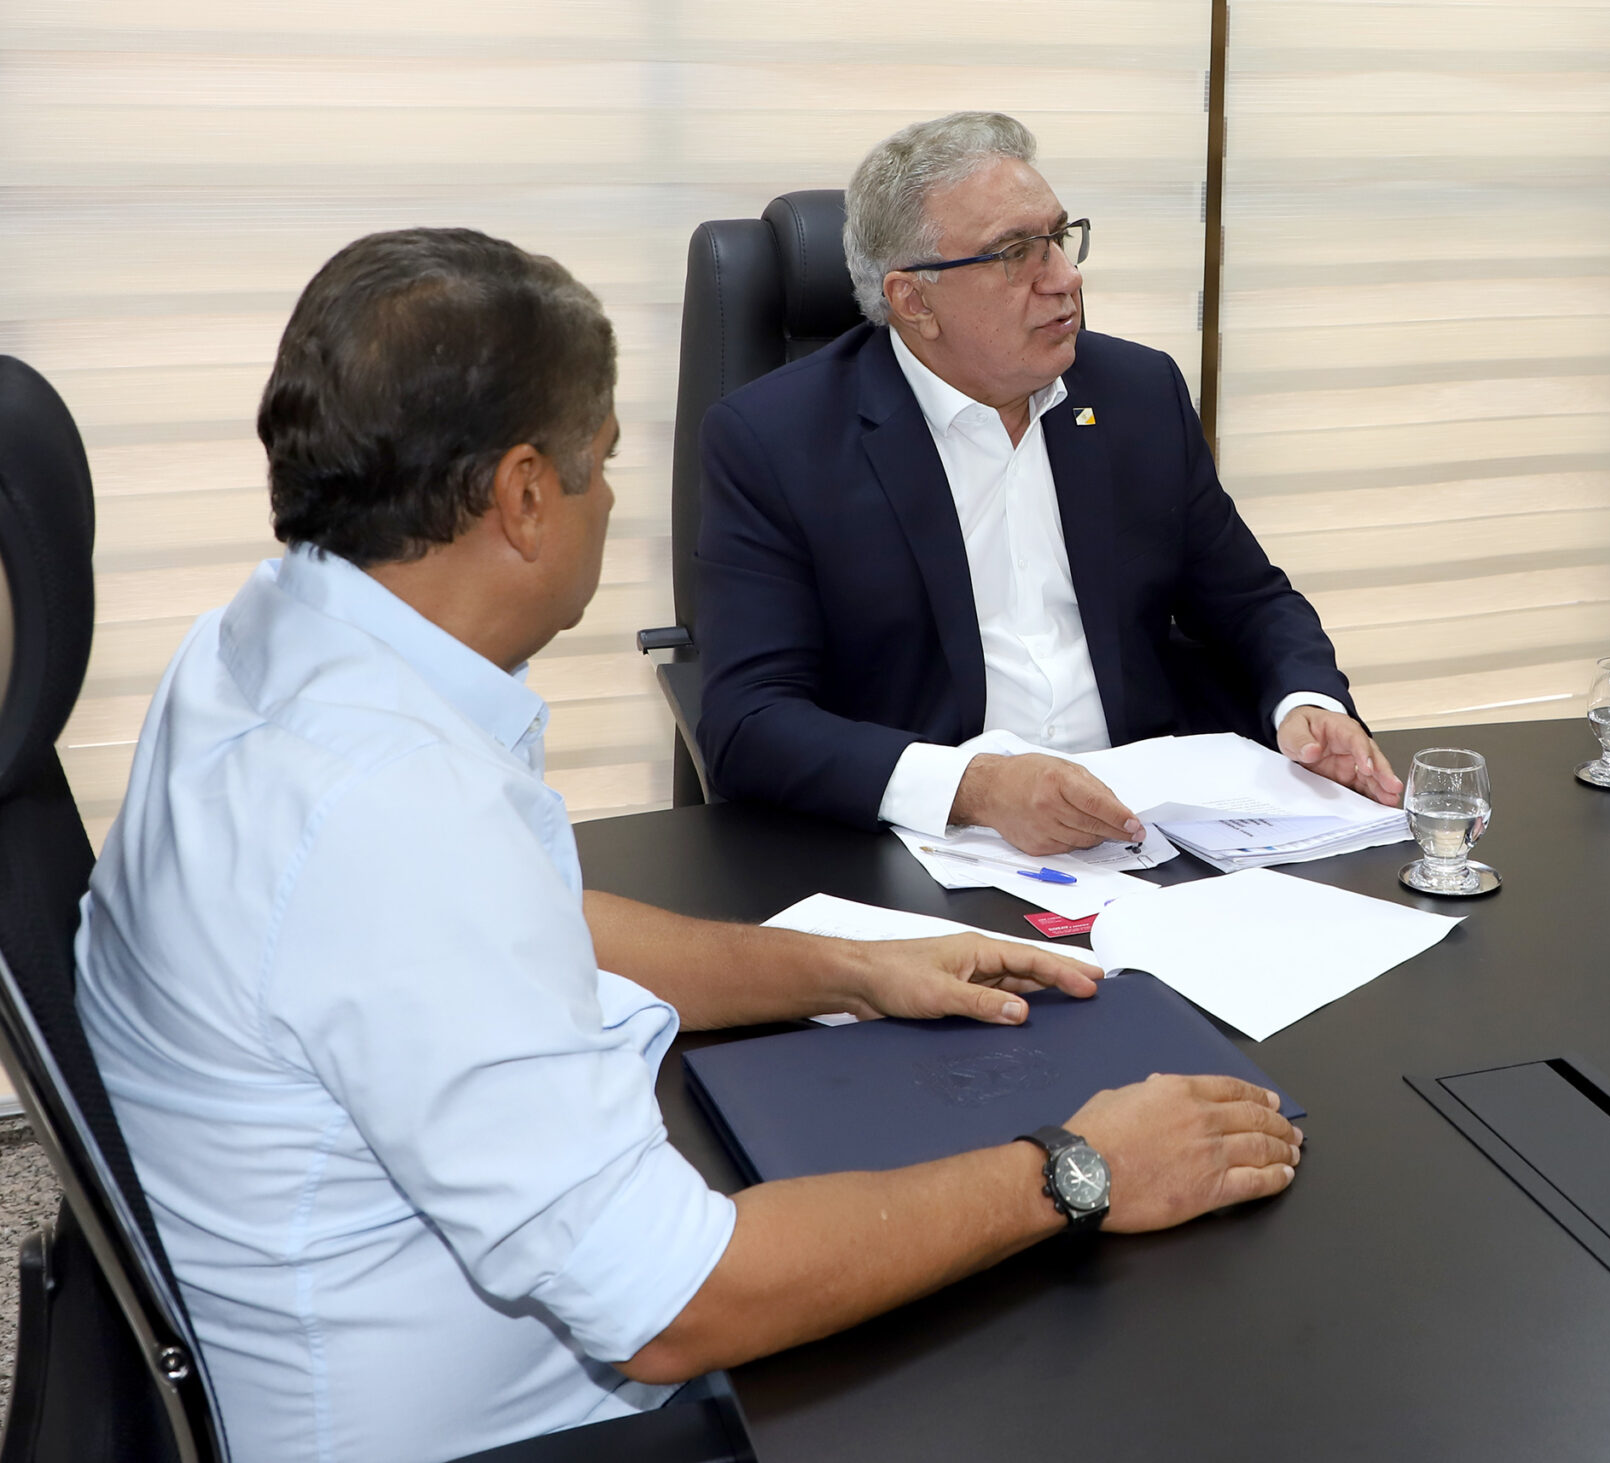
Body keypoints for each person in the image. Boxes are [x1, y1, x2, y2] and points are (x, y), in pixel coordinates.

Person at [74, 228, 1303, 1463]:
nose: (612, 501)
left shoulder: (265, 646)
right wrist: (1079, 1168)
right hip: (523, 1432)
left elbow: (529, 913)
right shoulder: (388, 806)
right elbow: (674, 1301)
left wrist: (849, 968)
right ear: (523, 497)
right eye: (603, 461)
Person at [694, 111, 1398, 856]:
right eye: (1015, 253)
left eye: (1059, 238)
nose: (1065, 277)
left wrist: (1306, 702)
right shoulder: (775, 440)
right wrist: (974, 789)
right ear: (914, 301)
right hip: (930, 848)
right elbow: (749, 722)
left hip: (1145, 827)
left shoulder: (1137, 393)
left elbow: (1251, 602)